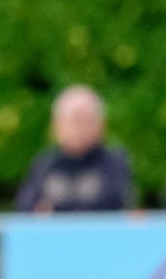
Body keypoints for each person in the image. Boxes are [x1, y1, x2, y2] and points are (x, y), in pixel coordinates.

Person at [15, 85, 135, 214]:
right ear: (57, 125)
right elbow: (27, 209)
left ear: (101, 125)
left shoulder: (114, 163)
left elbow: (117, 205)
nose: (79, 129)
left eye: (85, 120)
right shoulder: (44, 165)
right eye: (73, 121)